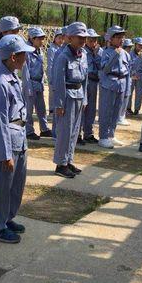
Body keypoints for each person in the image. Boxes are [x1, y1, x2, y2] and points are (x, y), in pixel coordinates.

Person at [0, 34, 32, 244]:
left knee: (15, 184)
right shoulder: (0, 83)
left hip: (18, 138)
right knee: (2, 186)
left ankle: (6, 218)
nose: (26, 59)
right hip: (7, 142)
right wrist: (4, 154)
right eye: (23, 55)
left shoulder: (12, 77)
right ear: (13, 57)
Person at [51, 22, 88, 179]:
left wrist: (85, 98)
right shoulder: (63, 56)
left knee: (74, 132)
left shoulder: (83, 54)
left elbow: (84, 79)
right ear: (70, 38)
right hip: (67, 97)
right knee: (65, 132)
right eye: (79, 37)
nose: (83, 40)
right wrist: (58, 104)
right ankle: (61, 164)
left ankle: (69, 160)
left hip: (79, 95)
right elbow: (58, 81)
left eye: (84, 37)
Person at [98, 26, 130, 149]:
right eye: (118, 37)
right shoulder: (105, 52)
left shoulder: (125, 53)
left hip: (121, 83)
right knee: (106, 111)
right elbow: (105, 69)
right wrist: (114, 56)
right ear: (110, 39)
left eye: (122, 37)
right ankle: (103, 137)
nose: (121, 39)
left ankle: (111, 135)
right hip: (109, 83)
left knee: (116, 112)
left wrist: (127, 89)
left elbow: (127, 72)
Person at [23, 27, 51, 141]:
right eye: (39, 39)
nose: (42, 41)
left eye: (42, 39)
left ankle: (44, 129)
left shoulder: (39, 51)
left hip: (39, 83)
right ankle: (29, 130)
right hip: (31, 83)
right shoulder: (27, 52)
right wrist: (28, 87)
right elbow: (26, 72)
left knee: (41, 108)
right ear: (32, 39)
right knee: (28, 109)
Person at [81, 28, 102, 144]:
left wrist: (96, 54)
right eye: (90, 40)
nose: (93, 42)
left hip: (94, 82)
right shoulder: (82, 52)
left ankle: (88, 133)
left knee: (91, 109)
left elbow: (101, 66)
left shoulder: (99, 52)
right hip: (85, 81)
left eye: (95, 40)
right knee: (81, 108)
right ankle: (78, 134)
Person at [47, 27, 66, 117]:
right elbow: (50, 65)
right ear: (55, 38)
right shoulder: (52, 49)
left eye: (62, 38)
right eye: (59, 38)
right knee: (52, 92)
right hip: (53, 73)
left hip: (59, 74)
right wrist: (51, 77)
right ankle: (51, 110)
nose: (61, 40)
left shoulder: (62, 49)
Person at [119, 37, 134, 124]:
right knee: (122, 98)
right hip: (124, 79)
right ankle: (120, 117)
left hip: (129, 79)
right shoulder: (122, 54)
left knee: (126, 97)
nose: (130, 49)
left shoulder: (128, 55)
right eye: (128, 47)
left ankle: (122, 116)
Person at [130, 37, 142, 115]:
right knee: (129, 92)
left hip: (139, 77)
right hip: (131, 76)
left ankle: (137, 109)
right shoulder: (129, 54)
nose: (140, 47)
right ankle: (128, 108)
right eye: (139, 45)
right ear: (135, 45)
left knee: (139, 93)